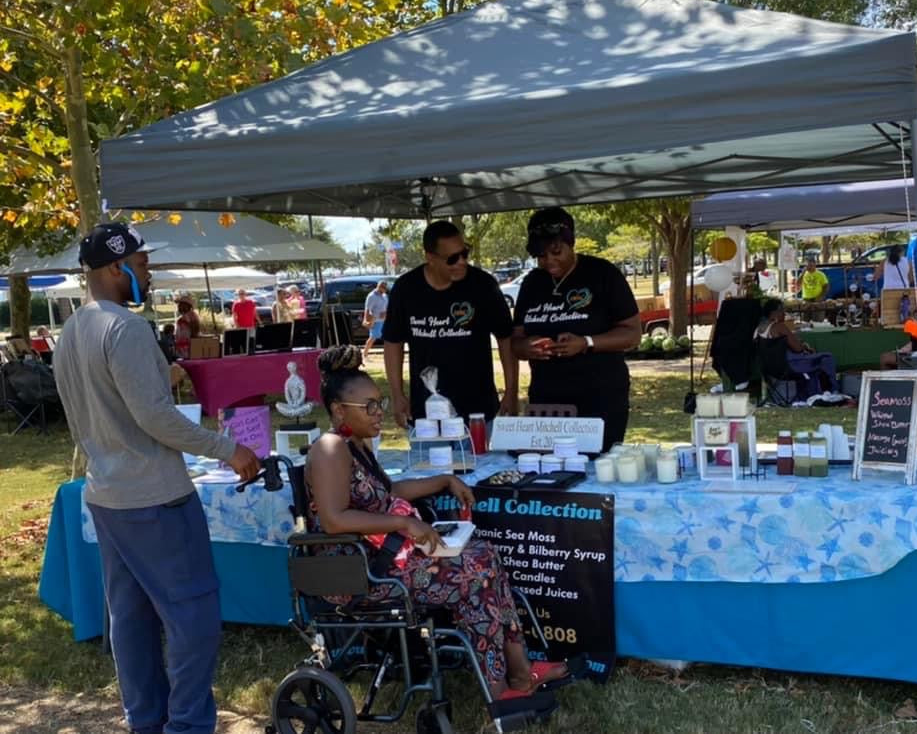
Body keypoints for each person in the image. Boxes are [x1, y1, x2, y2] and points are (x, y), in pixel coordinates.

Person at [52, 222, 260, 734]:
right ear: (112, 268)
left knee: (131, 619)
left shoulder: (71, 332)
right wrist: (228, 448)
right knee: (193, 617)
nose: (151, 273)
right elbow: (157, 417)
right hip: (155, 497)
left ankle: (146, 719)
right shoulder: (126, 329)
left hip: (106, 495)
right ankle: (186, 724)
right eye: (142, 265)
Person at [306, 345, 567, 699]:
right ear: (338, 410)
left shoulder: (357, 446)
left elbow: (389, 489)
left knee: (484, 554)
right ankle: (498, 684)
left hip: (385, 559)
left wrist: (444, 480)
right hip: (359, 573)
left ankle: (519, 671)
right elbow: (334, 519)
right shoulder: (329, 449)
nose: (378, 412)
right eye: (368, 406)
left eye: (379, 402)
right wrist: (402, 525)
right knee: (473, 571)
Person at [510, 208, 642, 451]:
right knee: (548, 466)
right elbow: (516, 341)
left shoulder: (602, 274)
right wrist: (528, 347)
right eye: (540, 255)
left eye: (556, 252)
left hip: (600, 397)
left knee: (597, 466)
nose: (549, 261)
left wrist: (586, 342)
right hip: (547, 399)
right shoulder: (532, 283)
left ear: (571, 243)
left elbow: (633, 334)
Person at [383, 221, 518, 425]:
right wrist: (397, 394)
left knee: (482, 458)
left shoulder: (483, 285)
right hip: (426, 413)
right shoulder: (406, 289)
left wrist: (511, 391)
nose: (461, 262)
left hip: (477, 412)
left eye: (464, 253)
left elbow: (506, 339)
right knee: (428, 459)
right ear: (430, 258)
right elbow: (393, 343)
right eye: (452, 258)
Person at [755, 298, 838, 397]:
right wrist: (804, 346)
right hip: (788, 367)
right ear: (774, 313)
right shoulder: (779, 327)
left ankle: (812, 393)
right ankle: (834, 391)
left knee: (812, 361)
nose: (784, 314)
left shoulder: (758, 329)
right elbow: (798, 349)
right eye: (782, 311)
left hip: (768, 369)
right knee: (827, 358)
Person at [362, 280, 389, 361]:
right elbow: (367, 309)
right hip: (375, 320)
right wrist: (367, 321)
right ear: (379, 286)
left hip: (384, 320)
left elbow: (386, 307)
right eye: (383, 288)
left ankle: (387, 355)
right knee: (372, 338)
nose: (384, 290)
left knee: (387, 337)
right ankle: (365, 355)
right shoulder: (371, 296)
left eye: (385, 288)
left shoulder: (384, 296)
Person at [173, 292, 200, 359]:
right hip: (186, 347)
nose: (179, 306)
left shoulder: (189, 317)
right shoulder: (189, 316)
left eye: (180, 304)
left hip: (187, 349)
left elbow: (192, 332)